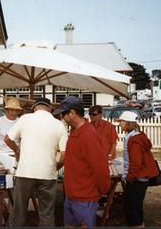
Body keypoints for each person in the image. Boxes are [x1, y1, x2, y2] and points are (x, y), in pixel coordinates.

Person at [4, 97, 67, 227]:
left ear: (35, 108)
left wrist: (17, 151)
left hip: (25, 172)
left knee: (19, 212)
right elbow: (65, 155)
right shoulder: (59, 124)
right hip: (48, 174)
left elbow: (7, 139)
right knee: (47, 213)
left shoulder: (25, 119)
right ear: (50, 109)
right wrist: (55, 167)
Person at [54, 96, 111, 227]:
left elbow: (100, 169)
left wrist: (98, 192)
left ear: (72, 113)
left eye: (63, 114)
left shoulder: (88, 135)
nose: (62, 117)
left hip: (85, 198)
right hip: (71, 196)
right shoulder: (76, 132)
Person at [117, 111, 158, 227]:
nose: (120, 124)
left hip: (137, 179)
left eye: (121, 121)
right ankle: (140, 224)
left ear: (128, 123)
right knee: (135, 207)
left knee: (133, 208)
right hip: (138, 178)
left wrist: (129, 177)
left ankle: (138, 225)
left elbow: (135, 162)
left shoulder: (134, 140)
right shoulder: (135, 136)